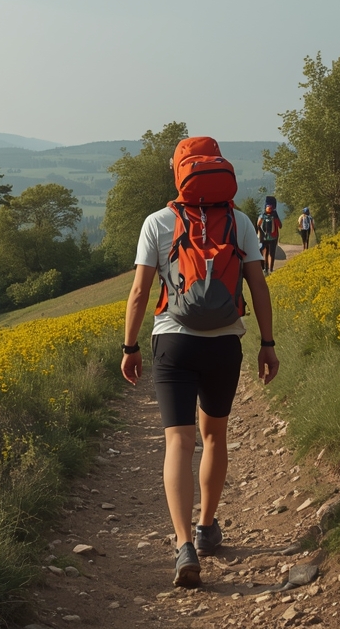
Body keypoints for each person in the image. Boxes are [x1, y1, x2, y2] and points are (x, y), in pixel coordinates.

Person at [121, 137, 280, 590]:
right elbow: (259, 287)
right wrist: (267, 343)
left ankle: (183, 544)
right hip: (224, 343)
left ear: (179, 171)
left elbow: (138, 293)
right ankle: (208, 528)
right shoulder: (241, 221)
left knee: (178, 442)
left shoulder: (157, 222)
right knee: (214, 437)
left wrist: (130, 347)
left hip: (173, 342)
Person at [255, 203, 282, 274]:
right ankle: (271, 269)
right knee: (272, 253)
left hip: (264, 237)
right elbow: (280, 226)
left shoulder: (262, 216)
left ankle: (265, 269)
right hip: (273, 237)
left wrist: (259, 235)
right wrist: (276, 217)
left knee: (265, 252)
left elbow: (258, 225)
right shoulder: (274, 216)